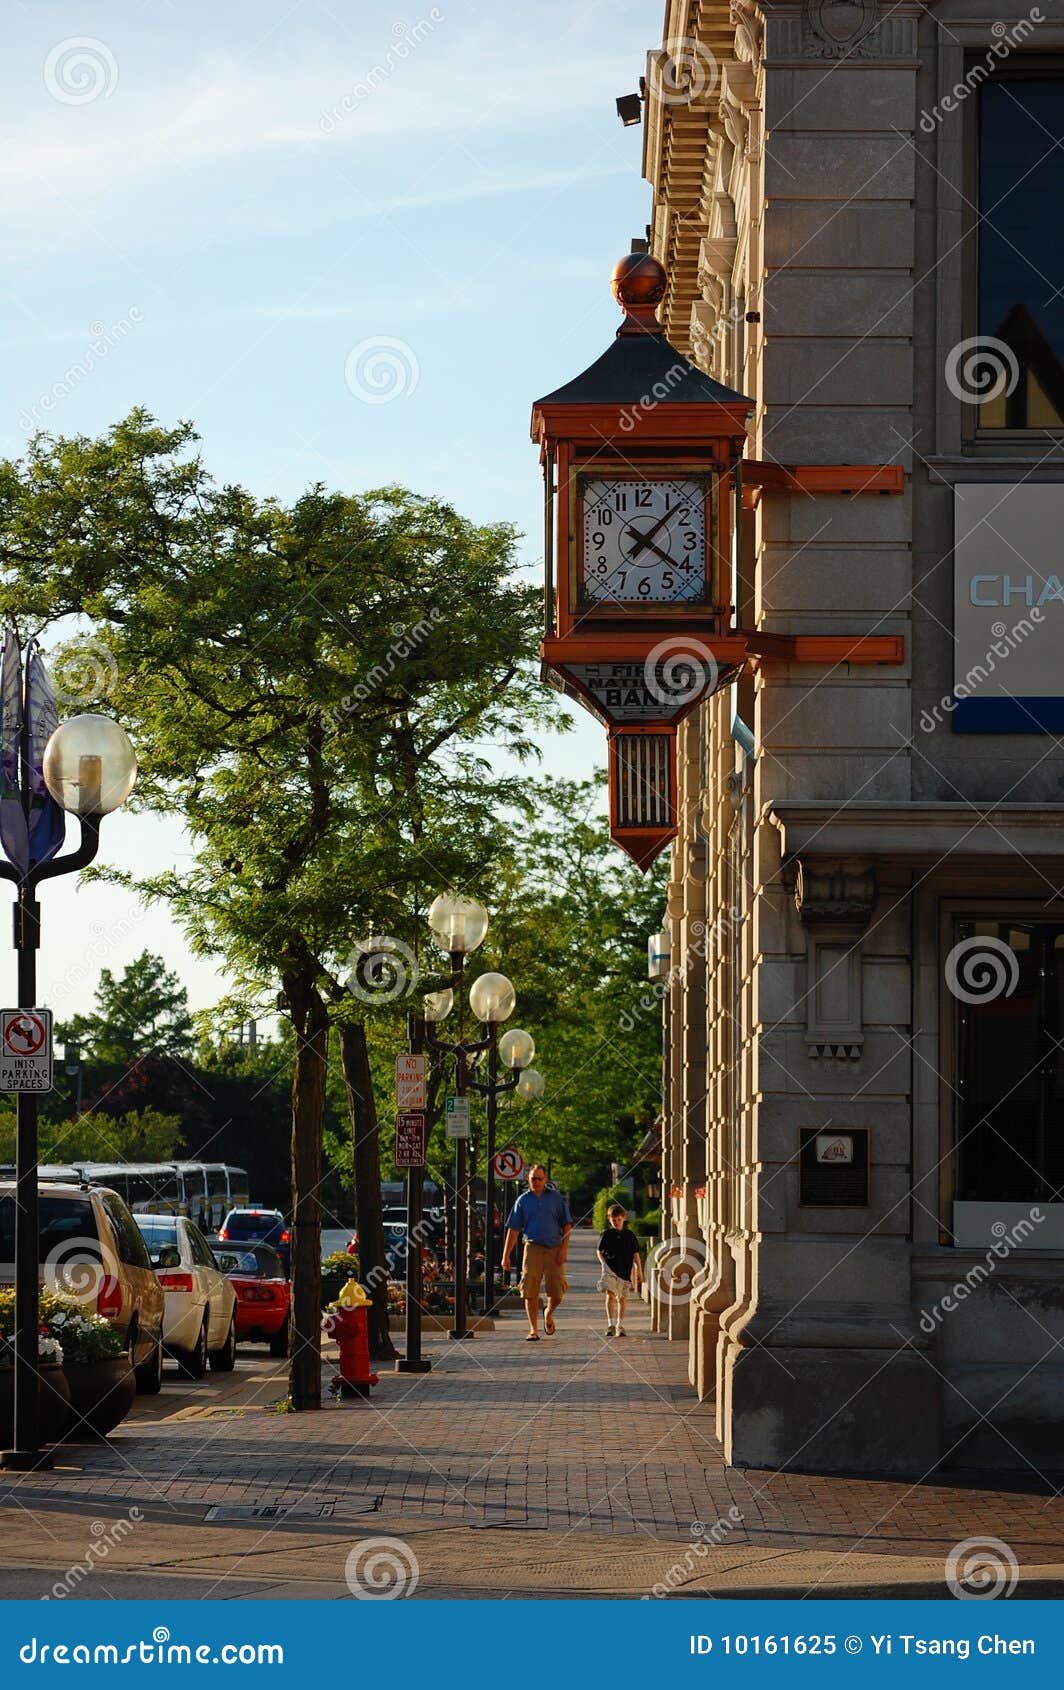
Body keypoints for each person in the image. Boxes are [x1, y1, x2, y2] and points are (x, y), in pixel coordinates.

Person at [500, 1165, 572, 1341]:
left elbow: (567, 1224)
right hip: (532, 1247)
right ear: (528, 1180)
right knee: (529, 1290)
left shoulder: (555, 1199)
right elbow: (514, 1229)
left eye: (540, 1178)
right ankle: (533, 1329)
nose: (537, 1182)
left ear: (546, 1180)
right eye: (533, 1179)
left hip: (554, 1247)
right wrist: (505, 1255)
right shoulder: (522, 1201)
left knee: (557, 1291)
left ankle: (548, 1313)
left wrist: (564, 1249)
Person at [596, 1203, 642, 1337]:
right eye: (613, 1220)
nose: (616, 1222)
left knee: (622, 1298)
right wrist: (603, 1263)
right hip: (610, 1269)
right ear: (609, 1219)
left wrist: (639, 1270)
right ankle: (610, 1324)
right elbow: (599, 1251)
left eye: (618, 1219)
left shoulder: (630, 1235)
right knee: (609, 1295)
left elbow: (636, 1254)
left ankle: (619, 1325)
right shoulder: (606, 1234)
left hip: (625, 1270)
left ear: (624, 1218)